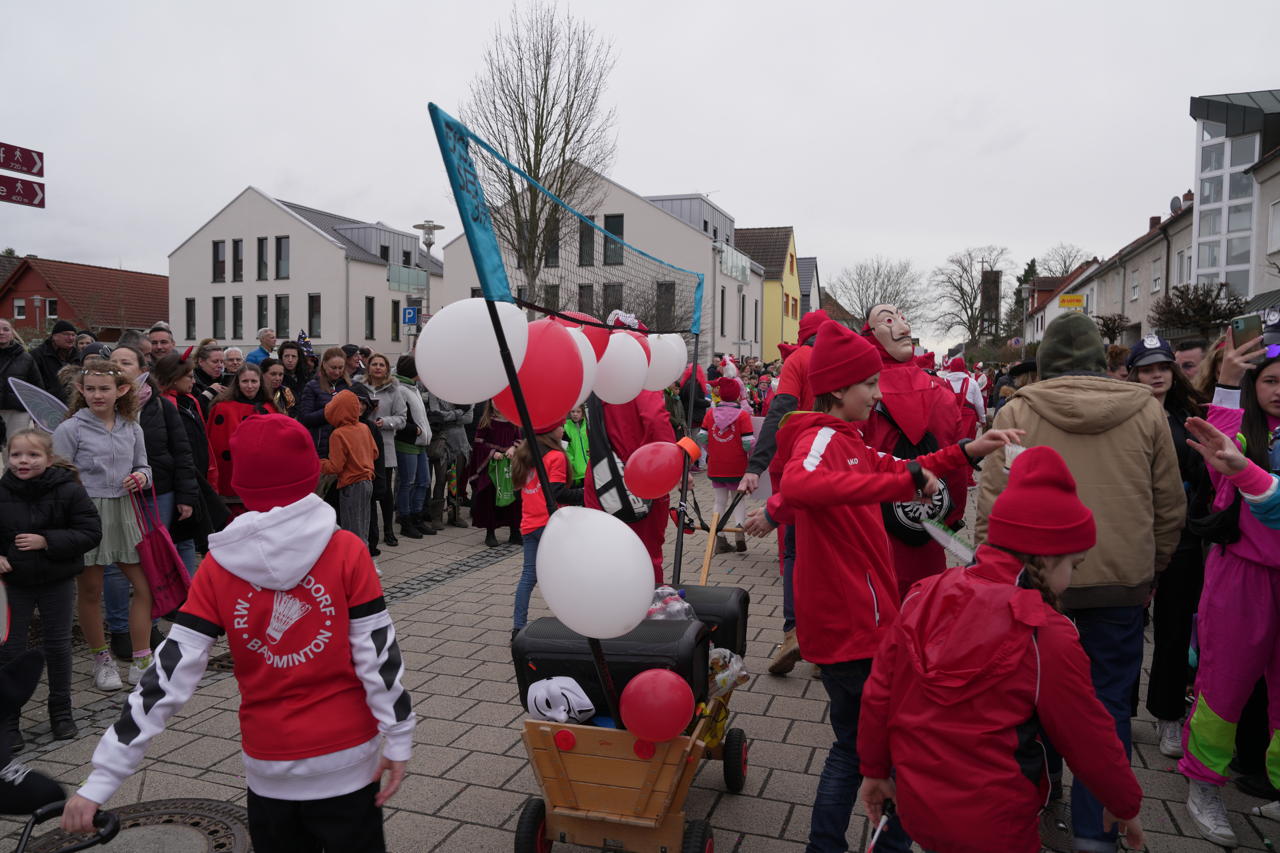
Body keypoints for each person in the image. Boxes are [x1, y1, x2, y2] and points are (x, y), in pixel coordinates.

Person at [60, 415, 414, 851]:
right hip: (347, 755)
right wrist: (397, 736)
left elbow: (168, 674)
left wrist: (103, 776)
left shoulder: (218, 565)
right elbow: (377, 654)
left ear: (241, 485)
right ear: (310, 474)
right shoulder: (346, 550)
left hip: (269, 763)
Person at [742, 320, 1020, 853]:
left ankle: (831, 845)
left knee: (856, 747)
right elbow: (800, 483)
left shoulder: (848, 440)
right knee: (879, 749)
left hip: (861, 625)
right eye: (869, 384)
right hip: (850, 631)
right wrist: (903, 482)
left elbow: (908, 465)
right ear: (841, 389)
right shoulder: (823, 436)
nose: (877, 393)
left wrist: (969, 450)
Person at [856, 446, 1145, 853]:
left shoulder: (923, 594)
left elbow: (879, 694)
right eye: (1073, 565)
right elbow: (1089, 735)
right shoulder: (1046, 634)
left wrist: (873, 769)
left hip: (917, 805)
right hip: (998, 823)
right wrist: (1124, 802)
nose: (1072, 578)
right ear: (1043, 557)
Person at [977, 312, 1184, 851]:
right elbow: (1168, 503)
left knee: (1036, 699)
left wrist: (990, 572)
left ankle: (1044, 806)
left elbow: (994, 501)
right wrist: (1152, 566)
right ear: (1102, 359)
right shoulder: (1145, 409)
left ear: (1044, 362)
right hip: (1121, 582)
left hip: (1039, 583)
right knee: (1108, 705)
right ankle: (1098, 833)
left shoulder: (1019, 408)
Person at [1176, 339, 1280, 845]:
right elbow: (1219, 457)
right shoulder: (1242, 437)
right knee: (1223, 688)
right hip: (1242, 577)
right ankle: (1203, 786)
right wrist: (1225, 388)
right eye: (1271, 380)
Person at [1124, 336, 1210, 761]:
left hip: (1182, 536)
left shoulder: (1188, 415)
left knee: (1174, 628)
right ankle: (1120, 711)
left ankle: (1168, 712)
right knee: (1126, 625)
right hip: (1132, 534)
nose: (1155, 375)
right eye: (1145, 368)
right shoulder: (1122, 415)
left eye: (1162, 367)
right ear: (1132, 373)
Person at [51, 357, 154, 691]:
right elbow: (57, 474)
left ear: (121, 390)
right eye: (90, 389)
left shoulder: (132, 426)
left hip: (126, 511)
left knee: (143, 586)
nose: (97, 395)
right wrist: (73, 488)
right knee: (91, 590)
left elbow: (145, 467)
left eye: (104, 389)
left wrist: (141, 476)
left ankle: (142, 658)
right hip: (86, 514)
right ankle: (102, 659)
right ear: (81, 390)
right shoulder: (70, 428)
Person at [737, 308, 830, 675]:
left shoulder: (799, 360)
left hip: (798, 465)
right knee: (829, 553)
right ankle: (826, 644)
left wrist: (755, 466)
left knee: (794, 552)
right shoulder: (840, 360)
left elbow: (781, 411)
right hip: (837, 463)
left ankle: (794, 633)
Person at [858, 304, 969, 600]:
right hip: (929, 524)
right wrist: (950, 517)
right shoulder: (942, 392)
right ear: (869, 334)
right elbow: (958, 469)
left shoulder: (860, 394)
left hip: (873, 533)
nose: (904, 328)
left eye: (904, 319)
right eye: (889, 320)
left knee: (881, 609)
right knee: (926, 610)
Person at [0, 429, 102, 747]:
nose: (23, 461)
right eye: (16, 455)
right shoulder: (1, 490)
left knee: (58, 647)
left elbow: (90, 531)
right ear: (7, 457)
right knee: (10, 651)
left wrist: (47, 541)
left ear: (48, 458)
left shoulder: (68, 490)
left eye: (32, 455)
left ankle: (61, 711)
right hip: (14, 584)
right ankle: (8, 720)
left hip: (56, 581)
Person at [105, 345, 200, 654]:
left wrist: (186, 495)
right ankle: (120, 630)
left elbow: (182, 452)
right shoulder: (100, 407)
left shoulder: (160, 406)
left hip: (159, 492)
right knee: (118, 564)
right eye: (114, 362)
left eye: (126, 361)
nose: (120, 366)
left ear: (141, 368)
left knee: (153, 560)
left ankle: (149, 625)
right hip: (115, 496)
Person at [511, 419, 583, 636]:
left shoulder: (524, 454)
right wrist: (586, 494)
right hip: (550, 525)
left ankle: (518, 627)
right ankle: (575, 622)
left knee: (528, 576)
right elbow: (557, 492)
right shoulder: (556, 456)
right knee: (568, 574)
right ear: (551, 431)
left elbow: (519, 492)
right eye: (560, 425)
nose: (563, 428)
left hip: (529, 523)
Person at [206, 365, 277, 511]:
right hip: (232, 480)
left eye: (254, 381)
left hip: (264, 479)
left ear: (260, 382)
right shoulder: (222, 408)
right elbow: (214, 447)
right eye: (245, 381)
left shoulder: (269, 407)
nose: (250, 386)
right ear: (237, 383)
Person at [700, 378, 753, 554]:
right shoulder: (743, 415)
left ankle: (720, 538)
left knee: (719, 501)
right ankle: (739, 533)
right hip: (737, 464)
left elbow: (702, 437)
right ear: (738, 395)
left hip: (716, 464)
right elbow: (748, 443)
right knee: (738, 499)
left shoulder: (710, 414)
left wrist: (712, 450)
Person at [360, 354, 407, 549]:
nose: (378, 368)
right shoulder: (360, 387)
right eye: (374, 364)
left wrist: (385, 422)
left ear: (387, 369)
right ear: (368, 367)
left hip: (384, 444)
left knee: (385, 490)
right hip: (361, 443)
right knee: (367, 492)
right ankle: (371, 533)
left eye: (382, 364)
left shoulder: (394, 390)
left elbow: (402, 418)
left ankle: (388, 530)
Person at [320, 390, 377, 548]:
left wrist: (318, 463)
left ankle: (357, 565)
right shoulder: (364, 428)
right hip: (367, 482)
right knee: (363, 526)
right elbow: (374, 452)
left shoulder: (338, 434)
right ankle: (365, 560)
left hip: (351, 484)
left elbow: (335, 466)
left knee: (352, 528)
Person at [469, 403, 523, 548]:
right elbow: (479, 444)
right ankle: (490, 533)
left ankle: (514, 531)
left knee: (513, 498)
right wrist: (493, 453)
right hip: (492, 467)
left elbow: (519, 439)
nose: (498, 404)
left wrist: (513, 447)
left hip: (509, 466)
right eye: (495, 400)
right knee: (491, 498)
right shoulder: (486, 421)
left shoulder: (512, 420)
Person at [392, 355, 433, 539]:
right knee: (407, 483)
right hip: (407, 443)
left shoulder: (412, 388)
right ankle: (405, 519)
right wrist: (414, 430)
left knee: (423, 481)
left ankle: (417, 516)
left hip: (420, 444)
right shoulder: (401, 390)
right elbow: (399, 417)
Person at [425, 391, 472, 531]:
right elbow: (435, 416)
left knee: (454, 480)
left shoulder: (464, 394)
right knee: (440, 479)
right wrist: (459, 413)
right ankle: (436, 516)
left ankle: (454, 515)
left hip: (460, 442)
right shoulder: (435, 392)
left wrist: (448, 416)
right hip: (442, 441)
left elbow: (469, 418)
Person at [0, 319, 42, 457]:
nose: (1, 332)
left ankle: (11, 478)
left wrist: (38, 416)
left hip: (17, 412)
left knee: (14, 451)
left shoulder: (26, 358)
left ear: (12, 333)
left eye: (6, 329)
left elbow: (36, 386)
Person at [31, 320, 78, 402]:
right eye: (66, 334)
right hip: (47, 403)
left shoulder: (78, 356)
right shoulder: (38, 355)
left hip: (73, 405)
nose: (70, 338)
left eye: (73, 335)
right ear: (54, 336)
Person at [191, 344, 226, 419]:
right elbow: (191, 409)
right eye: (215, 361)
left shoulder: (226, 380)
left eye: (222, 362)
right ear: (201, 362)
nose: (220, 365)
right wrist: (209, 392)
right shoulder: (191, 381)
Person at [564, 404, 588, 488]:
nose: (575, 414)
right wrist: (572, 462)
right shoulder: (565, 427)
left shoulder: (588, 425)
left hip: (589, 470)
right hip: (575, 472)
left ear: (583, 412)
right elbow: (564, 449)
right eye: (573, 411)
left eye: (578, 411)